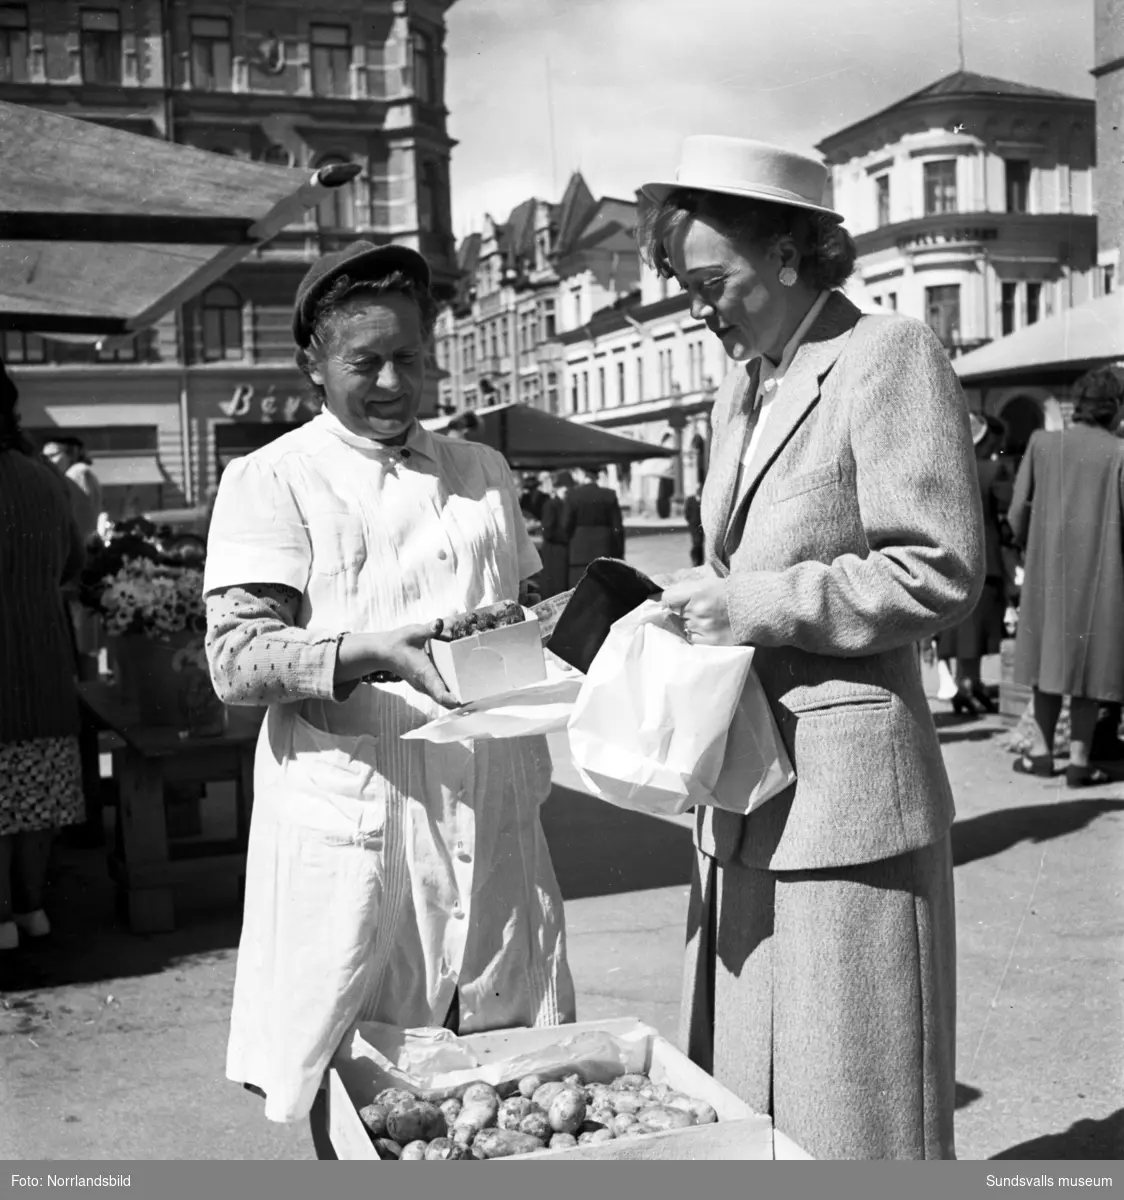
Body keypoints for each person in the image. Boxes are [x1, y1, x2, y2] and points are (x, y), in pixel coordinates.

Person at [639, 136, 984, 1159]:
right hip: (745, 793)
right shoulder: (741, 387)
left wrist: (755, 603)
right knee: (755, 1100)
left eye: (712, 280)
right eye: (684, 284)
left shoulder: (886, 355)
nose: (701, 306)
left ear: (788, 253)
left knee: (855, 1107)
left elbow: (939, 570)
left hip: (847, 805)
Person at [202, 241, 575, 1134]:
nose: (391, 382)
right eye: (364, 362)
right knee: (371, 1103)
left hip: (494, 812)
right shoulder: (274, 478)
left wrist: (584, 619)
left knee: (510, 1099)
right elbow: (237, 658)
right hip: (362, 824)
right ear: (313, 368)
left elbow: (510, 618)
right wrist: (371, 651)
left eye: (408, 357)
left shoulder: (481, 473)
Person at [0, 359, 87, 951]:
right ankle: (30, 910)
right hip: (44, 659)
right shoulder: (44, 478)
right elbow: (74, 567)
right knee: (35, 799)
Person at [1008, 367, 1124, 786]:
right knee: (1092, 669)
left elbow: (1017, 511)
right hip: (1104, 573)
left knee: (1047, 664)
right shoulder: (1119, 452)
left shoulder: (1041, 444)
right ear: (1114, 411)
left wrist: (1027, 547)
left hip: (1047, 569)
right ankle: (1079, 761)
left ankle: (1040, 754)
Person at [934, 412, 1013, 716]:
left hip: (952, 558)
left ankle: (968, 682)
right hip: (986, 557)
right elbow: (1007, 509)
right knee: (977, 627)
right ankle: (969, 683)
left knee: (963, 627)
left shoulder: (948, 469)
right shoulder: (994, 470)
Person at [562, 465, 626, 587]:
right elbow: (618, 528)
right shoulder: (609, 495)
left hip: (579, 552)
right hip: (605, 549)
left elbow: (565, 526)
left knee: (579, 590)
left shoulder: (573, 495)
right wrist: (620, 552)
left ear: (582, 474)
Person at [43, 435, 103, 546]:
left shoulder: (76, 473)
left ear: (71, 454)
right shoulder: (82, 473)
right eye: (44, 458)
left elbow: (79, 514)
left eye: (52, 456)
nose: (47, 462)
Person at [539, 470, 574, 599]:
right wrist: (567, 538)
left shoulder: (564, 504)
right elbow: (548, 531)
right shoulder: (551, 505)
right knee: (555, 585)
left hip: (561, 551)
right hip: (554, 552)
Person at [684, 485, 705, 567]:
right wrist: (690, 521)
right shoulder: (690, 499)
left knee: (700, 542)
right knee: (696, 542)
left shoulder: (704, 500)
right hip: (693, 525)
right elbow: (686, 512)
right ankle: (695, 559)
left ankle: (700, 561)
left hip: (701, 525)